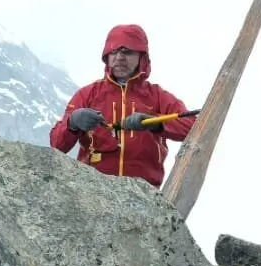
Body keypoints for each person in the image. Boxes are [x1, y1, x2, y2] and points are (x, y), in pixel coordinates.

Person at [49, 24, 196, 187]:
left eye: (127, 51)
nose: (119, 57)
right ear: (106, 57)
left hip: (144, 194)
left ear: (142, 57)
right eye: (113, 51)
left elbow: (193, 128)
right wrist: (73, 123)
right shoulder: (87, 94)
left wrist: (156, 123)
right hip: (92, 192)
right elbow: (56, 145)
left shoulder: (158, 96)